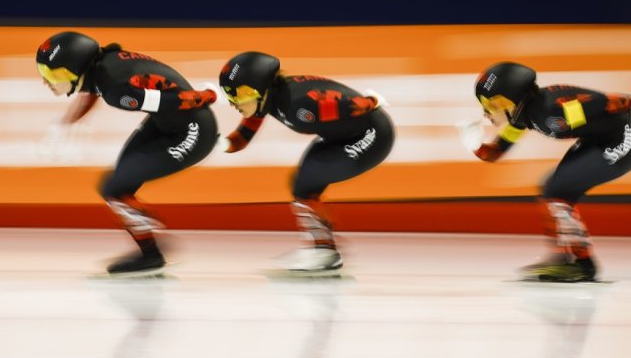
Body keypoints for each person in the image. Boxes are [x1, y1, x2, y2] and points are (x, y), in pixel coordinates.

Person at [36, 31, 219, 276]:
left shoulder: (116, 90)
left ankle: (152, 241)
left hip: (193, 132)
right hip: (168, 123)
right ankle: (150, 256)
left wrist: (208, 95)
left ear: (76, 69)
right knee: (116, 187)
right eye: (43, 72)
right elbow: (92, 90)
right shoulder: (102, 67)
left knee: (113, 188)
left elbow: (175, 101)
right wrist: (67, 121)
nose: (46, 81)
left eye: (54, 74)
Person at [459, 61, 631, 282]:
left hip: (626, 136)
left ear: (510, 100)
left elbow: (602, 102)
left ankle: (582, 264)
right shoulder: (523, 117)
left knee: (557, 190)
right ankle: (566, 258)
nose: (486, 113)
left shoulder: (553, 109)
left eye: (490, 105)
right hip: (598, 139)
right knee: (553, 189)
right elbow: (495, 153)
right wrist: (474, 144)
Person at [218, 51, 394, 273]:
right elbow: (243, 136)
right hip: (340, 136)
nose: (233, 102)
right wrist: (219, 144)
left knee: (307, 181)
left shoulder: (300, 105)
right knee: (302, 185)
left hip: (373, 135)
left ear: (260, 89)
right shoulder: (269, 99)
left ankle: (324, 251)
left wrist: (372, 100)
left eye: (238, 95)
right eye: (229, 95)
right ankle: (323, 248)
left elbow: (350, 104)